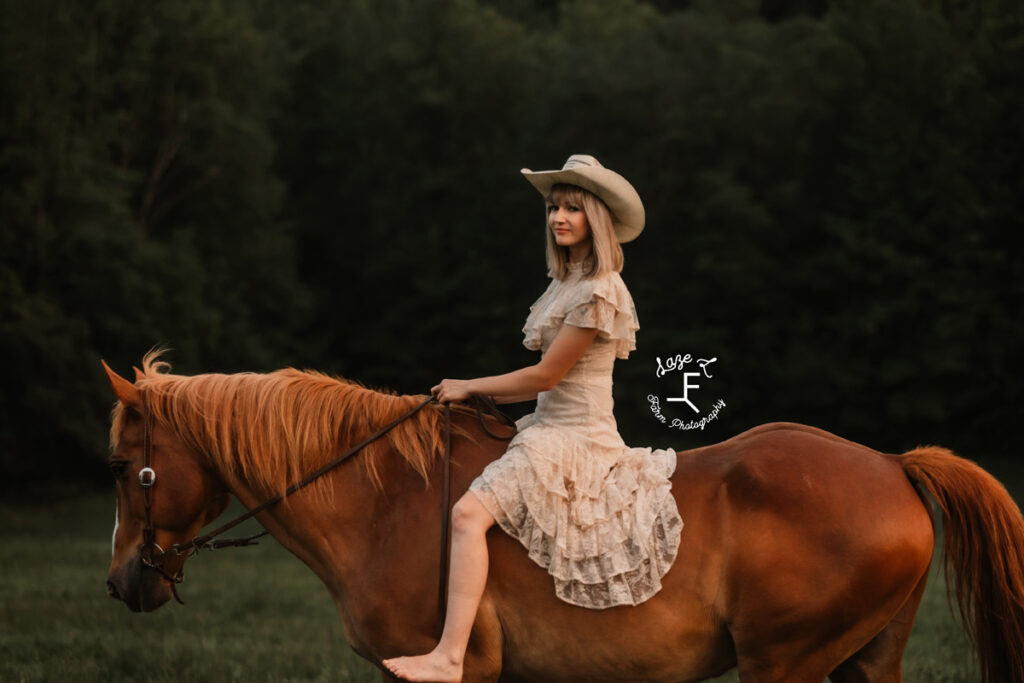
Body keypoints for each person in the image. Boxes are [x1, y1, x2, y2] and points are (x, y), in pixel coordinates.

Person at [383, 154, 683, 682]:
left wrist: (469, 385)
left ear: (597, 218)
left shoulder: (599, 290)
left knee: (466, 517)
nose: (558, 218)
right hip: (545, 426)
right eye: (553, 207)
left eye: (573, 208)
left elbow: (546, 376)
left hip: (573, 436)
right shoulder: (565, 283)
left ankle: (449, 657)